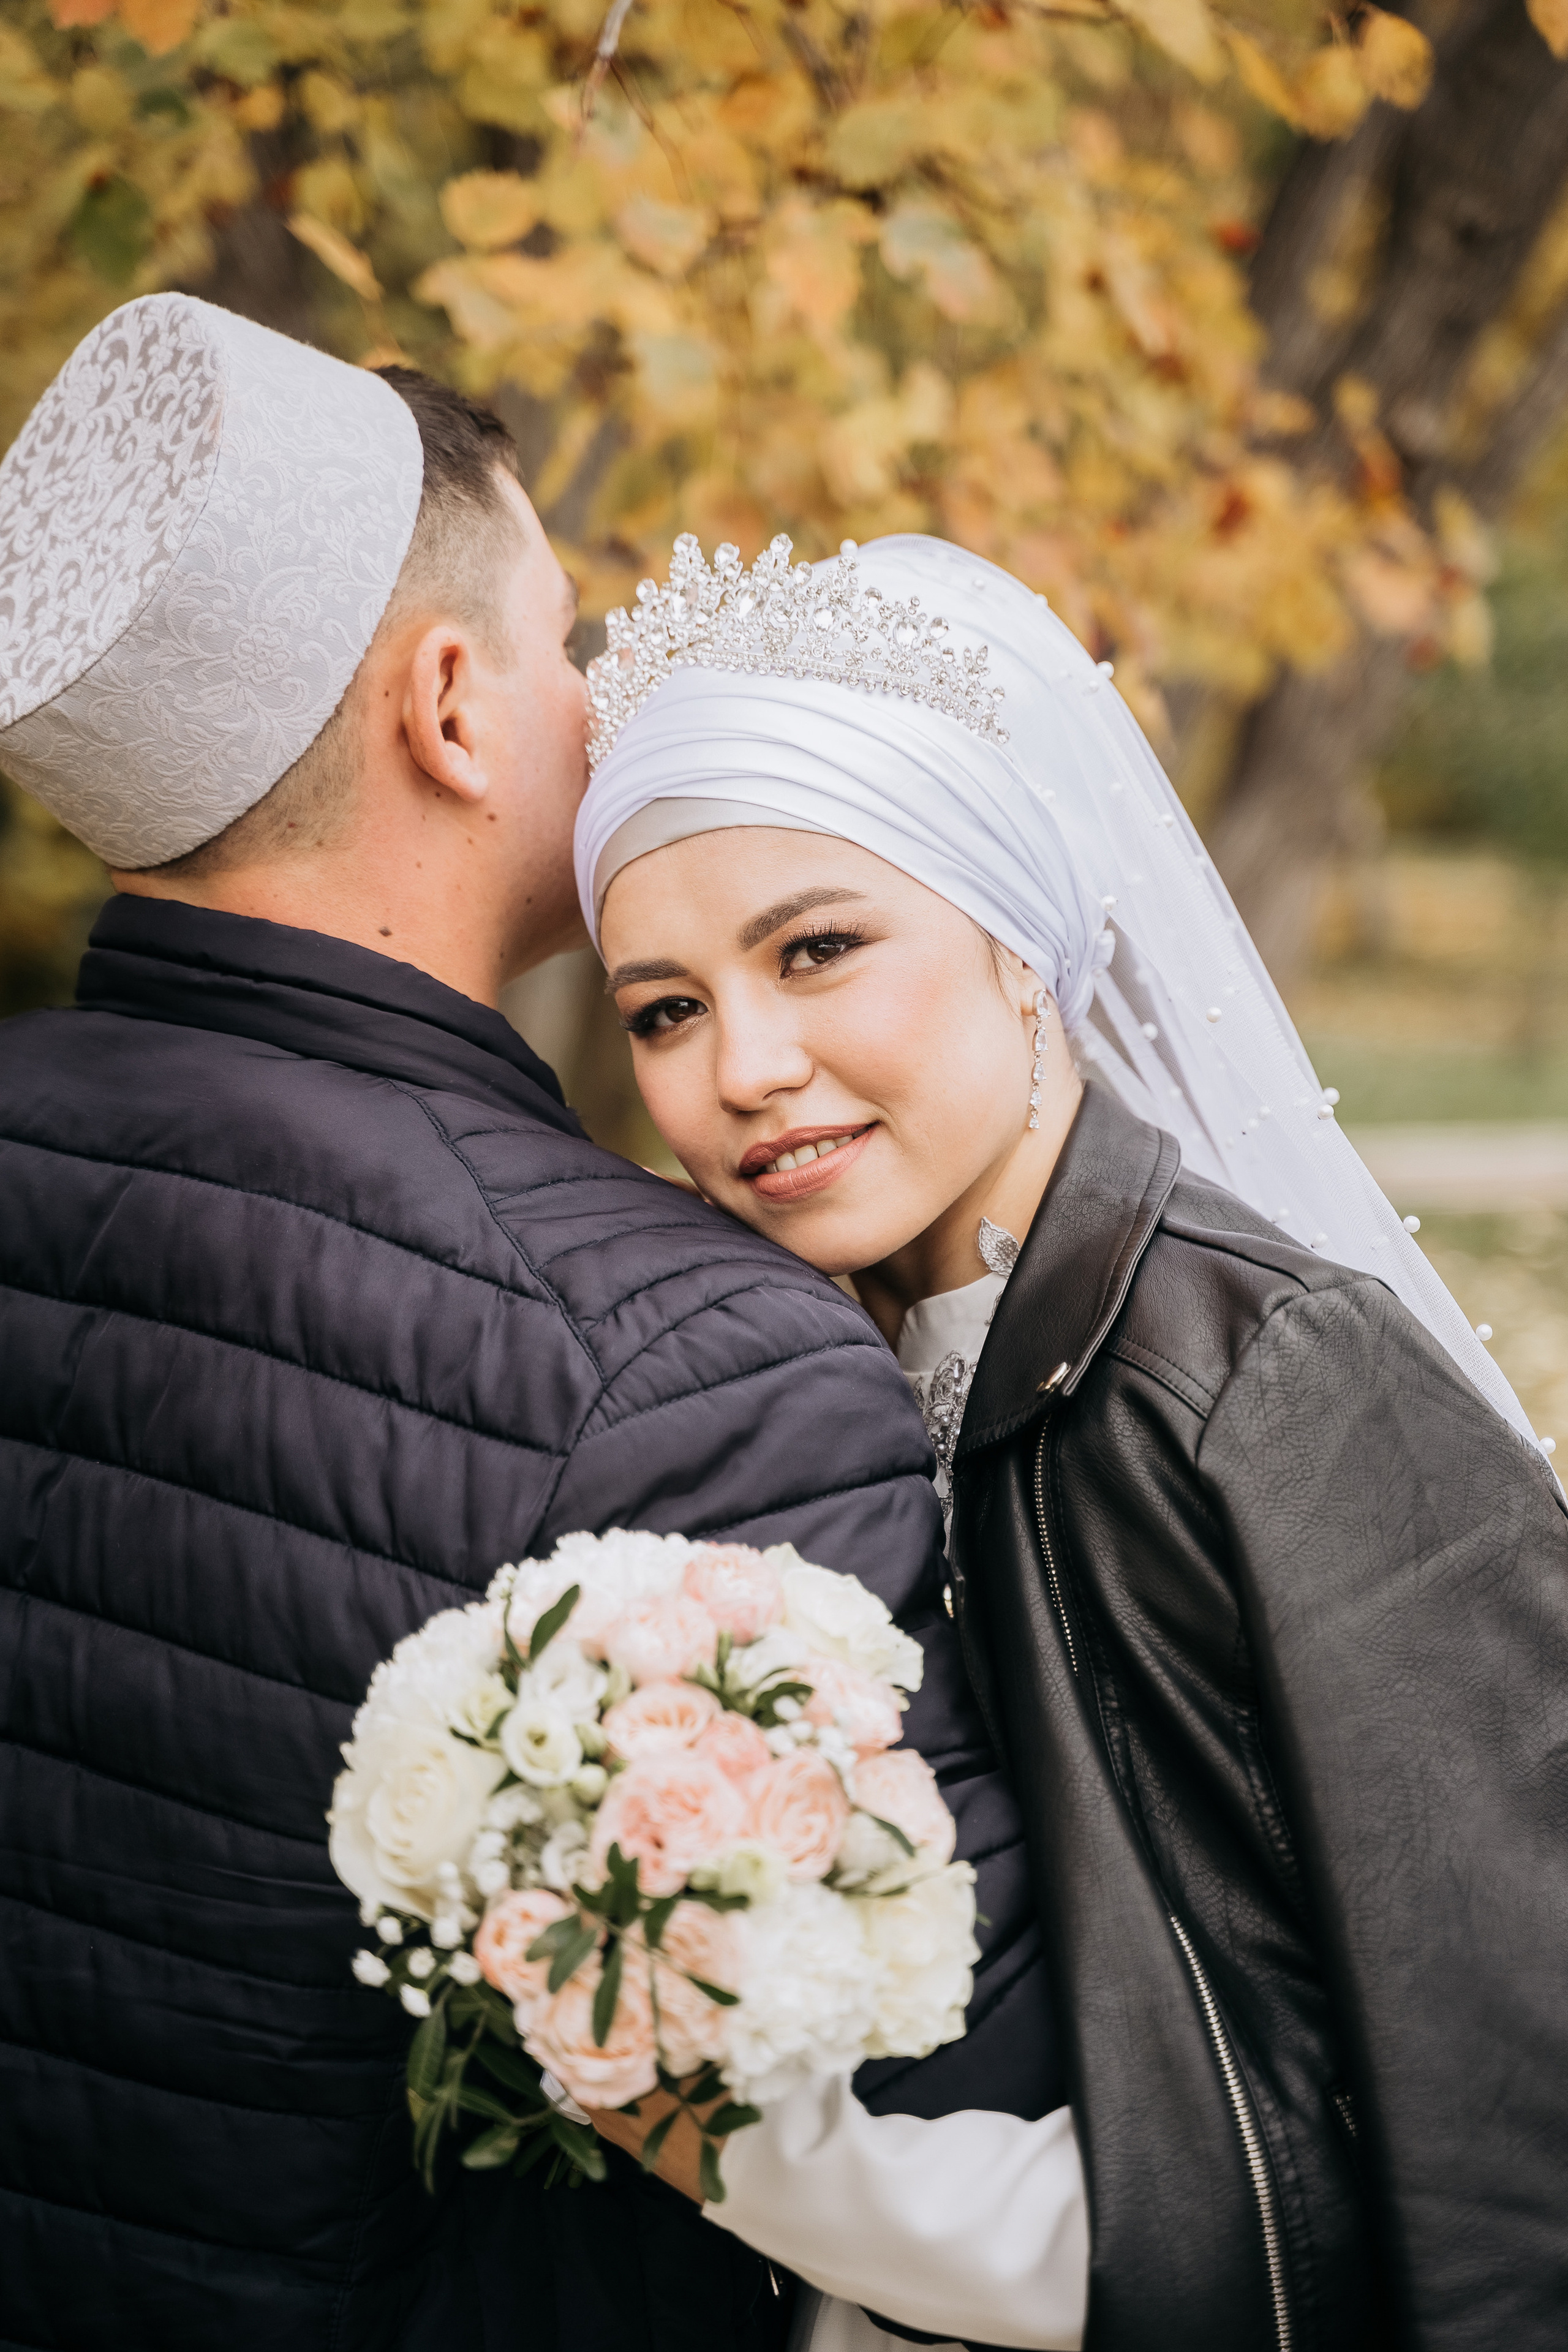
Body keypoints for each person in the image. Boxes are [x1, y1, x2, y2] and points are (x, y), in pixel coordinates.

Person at [0, 305, 1065, 2352]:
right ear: (455, 708)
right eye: (570, 646)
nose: (604, 704)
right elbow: (953, 2084)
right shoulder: (680, 1357)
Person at [576, 530, 1568, 2351]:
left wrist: (767, 2162)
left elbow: (1515, 2099)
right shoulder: (804, 1392)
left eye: (819, 949)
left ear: (1018, 938)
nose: (744, 1068)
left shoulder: (1271, 1383)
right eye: (666, 1009)